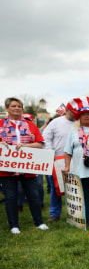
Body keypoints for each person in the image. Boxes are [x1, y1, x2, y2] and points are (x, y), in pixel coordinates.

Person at [0, 97, 49, 234]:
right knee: (11, 197)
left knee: (33, 195)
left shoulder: (30, 125)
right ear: (7, 108)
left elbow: (40, 144)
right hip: (7, 169)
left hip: (28, 167)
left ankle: (39, 222)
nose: (17, 108)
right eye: (14, 106)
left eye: (19, 106)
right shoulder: (0, 124)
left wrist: (26, 146)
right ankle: (14, 226)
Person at [42, 108, 75, 222]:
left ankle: (75, 213)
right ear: (67, 110)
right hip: (57, 159)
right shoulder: (56, 122)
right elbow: (46, 137)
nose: (75, 113)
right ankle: (55, 214)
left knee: (75, 188)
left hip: (75, 161)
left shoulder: (80, 122)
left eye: (77, 111)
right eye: (72, 111)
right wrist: (51, 153)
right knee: (56, 188)